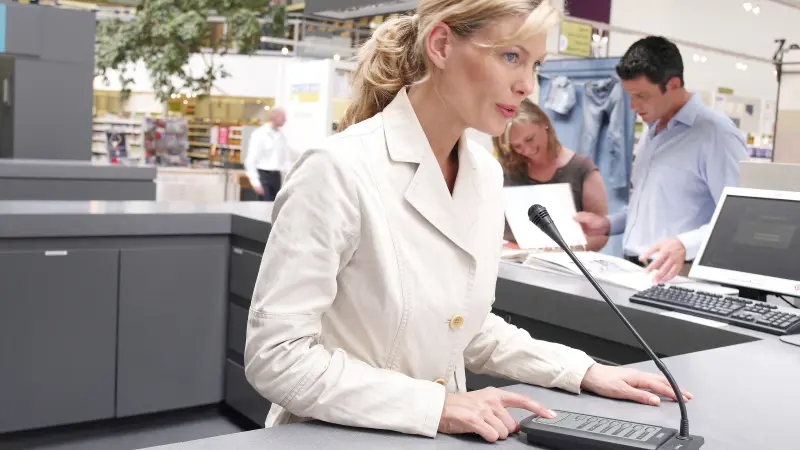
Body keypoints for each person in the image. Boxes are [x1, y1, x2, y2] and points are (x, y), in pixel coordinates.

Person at [244, 1, 691, 443]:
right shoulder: (337, 168)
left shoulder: (484, 173)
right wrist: (433, 406)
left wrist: (583, 369)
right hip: (330, 436)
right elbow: (277, 357)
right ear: (441, 45)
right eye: (511, 57)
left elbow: (463, 327)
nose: (527, 86)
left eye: (535, 64)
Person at [575, 36, 749, 283]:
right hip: (633, 268)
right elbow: (650, 205)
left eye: (642, 96)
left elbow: (739, 217)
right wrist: (607, 224)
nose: (634, 106)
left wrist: (684, 245)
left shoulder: (716, 135)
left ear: (673, 84)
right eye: (630, 96)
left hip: (681, 273)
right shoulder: (652, 129)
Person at [494, 99, 608, 251]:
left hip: (565, 265)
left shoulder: (581, 168)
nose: (526, 150)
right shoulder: (508, 168)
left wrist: (565, 252)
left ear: (544, 124)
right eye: (517, 146)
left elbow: (601, 233)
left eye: (530, 139)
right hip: (514, 264)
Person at [244, 107, 289, 201]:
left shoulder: (282, 136)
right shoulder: (260, 134)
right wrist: (255, 182)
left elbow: (285, 159)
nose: (285, 120)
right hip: (263, 176)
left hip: (276, 176)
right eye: (283, 117)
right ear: (275, 117)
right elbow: (251, 160)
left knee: (274, 207)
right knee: (264, 207)